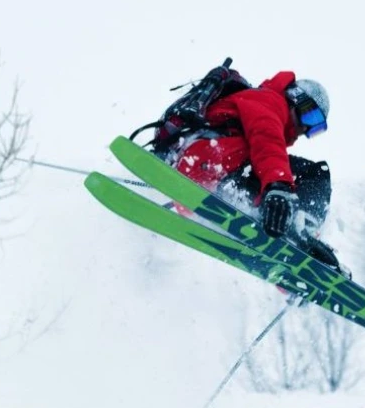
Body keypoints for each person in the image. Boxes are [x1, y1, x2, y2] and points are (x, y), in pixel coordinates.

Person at [142, 66, 349, 278]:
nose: (307, 129)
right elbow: (266, 142)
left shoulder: (259, 103)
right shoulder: (270, 101)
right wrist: (279, 187)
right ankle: (300, 233)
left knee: (278, 189)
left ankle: (290, 246)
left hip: (203, 169)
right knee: (314, 173)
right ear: (296, 98)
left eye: (316, 128)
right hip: (213, 160)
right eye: (311, 117)